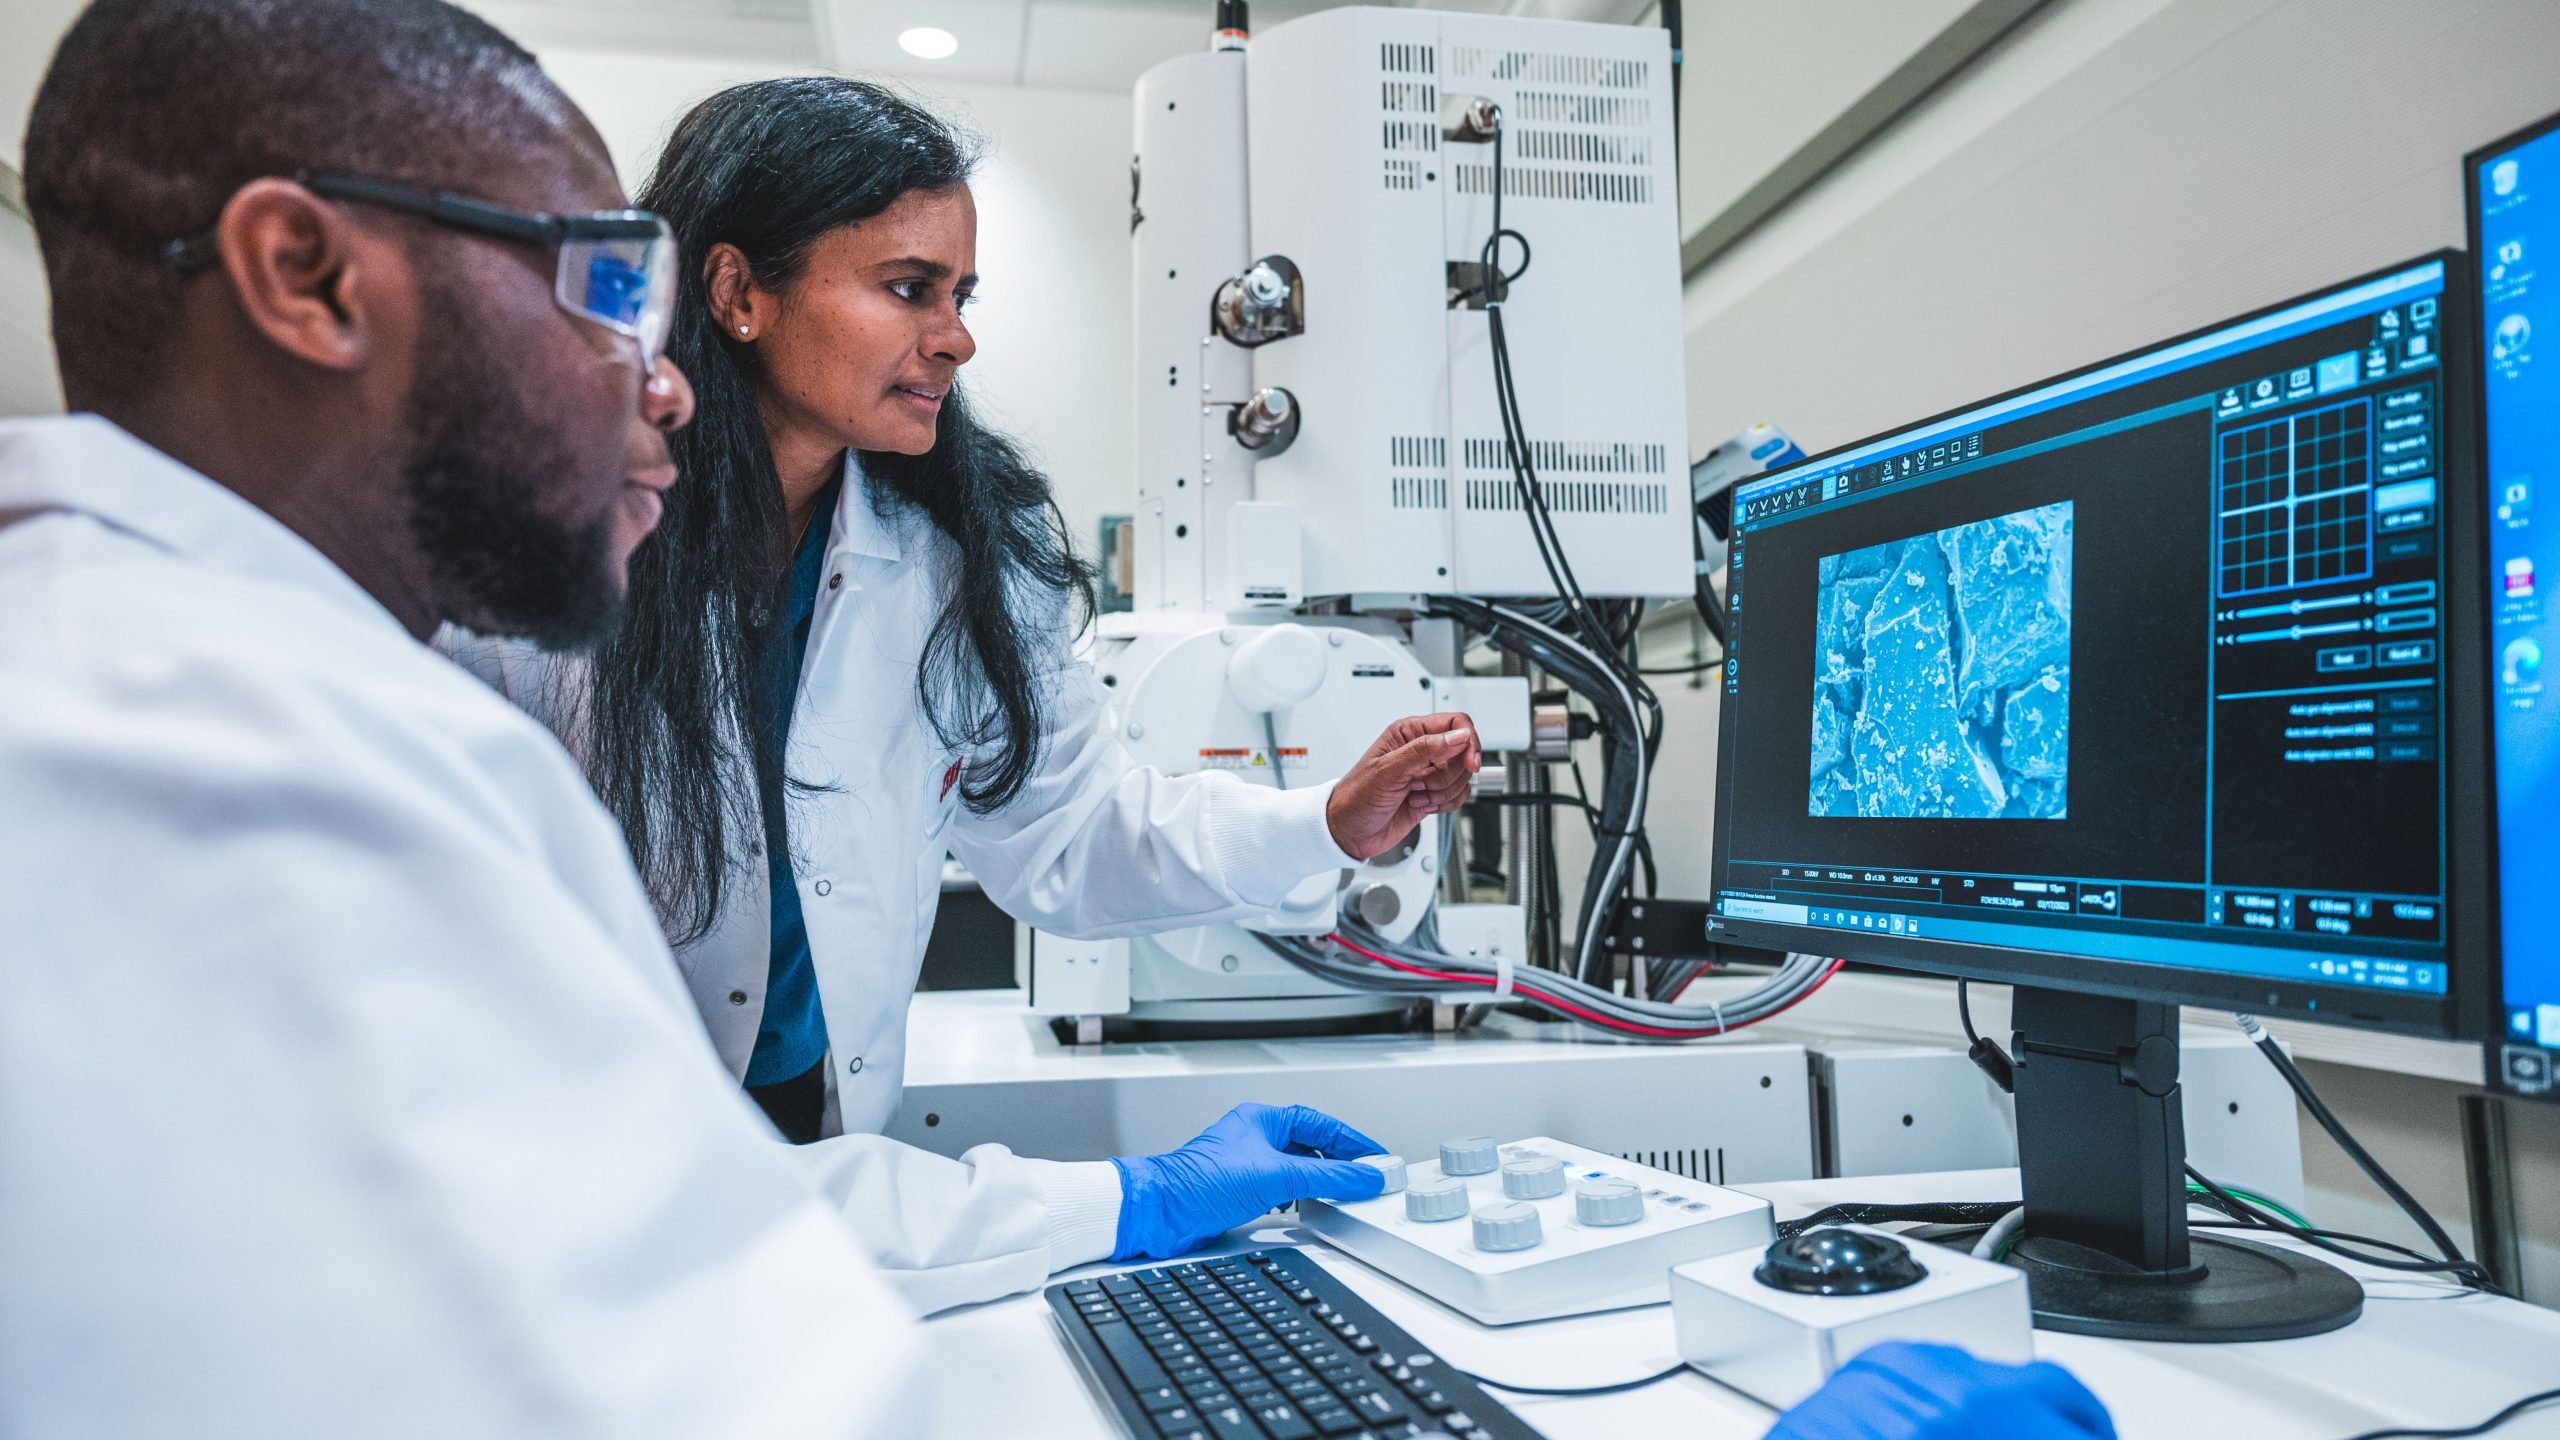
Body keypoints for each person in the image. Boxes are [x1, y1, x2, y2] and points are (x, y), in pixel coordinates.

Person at [444, 74, 1481, 1308]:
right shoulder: (547, 545)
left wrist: (1323, 825)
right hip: (565, 1152)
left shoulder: (957, 555)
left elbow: (1070, 835)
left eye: (960, 294)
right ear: (737, 293)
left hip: (818, 1133)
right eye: (906, 288)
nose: (956, 336)